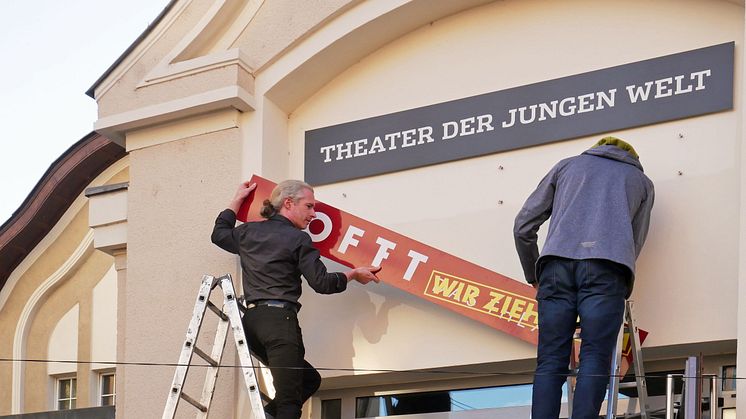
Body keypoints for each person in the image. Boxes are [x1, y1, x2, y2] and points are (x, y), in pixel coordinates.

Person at [211, 179, 381, 419]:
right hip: (281, 324)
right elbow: (322, 283)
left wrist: (237, 198)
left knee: (309, 380)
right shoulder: (297, 239)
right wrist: (352, 274)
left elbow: (219, 234)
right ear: (288, 203)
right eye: (309, 206)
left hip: (251, 324)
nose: (313, 214)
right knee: (290, 403)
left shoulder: (249, 232)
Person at [513, 137, 654, 419]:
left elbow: (523, 226)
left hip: (555, 268)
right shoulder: (641, 181)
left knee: (551, 358)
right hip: (607, 269)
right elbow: (634, 242)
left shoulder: (567, 167)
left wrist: (533, 274)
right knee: (596, 356)